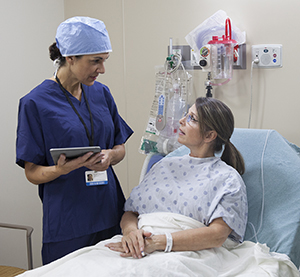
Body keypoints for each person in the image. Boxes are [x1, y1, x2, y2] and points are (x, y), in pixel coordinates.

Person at [16, 16, 133, 265]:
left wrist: (111, 156)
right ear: (70, 57)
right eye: (95, 61)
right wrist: (60, 169)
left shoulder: (101, 93)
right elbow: (32, 172)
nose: (102, 69)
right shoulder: (35, 103)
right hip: (68, 220)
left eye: (104, 60)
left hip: (109, 210)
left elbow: (120, 146)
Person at [106, 96, 247, 258]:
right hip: (139, 246)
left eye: (192, 118)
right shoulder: (163, 166)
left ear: (209, 136)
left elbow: (218, 234)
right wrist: (131, 233)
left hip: (190, 252)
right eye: (186, 114)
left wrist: (158, 242)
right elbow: (130, 212)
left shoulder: (228, 179)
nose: (181, 120)